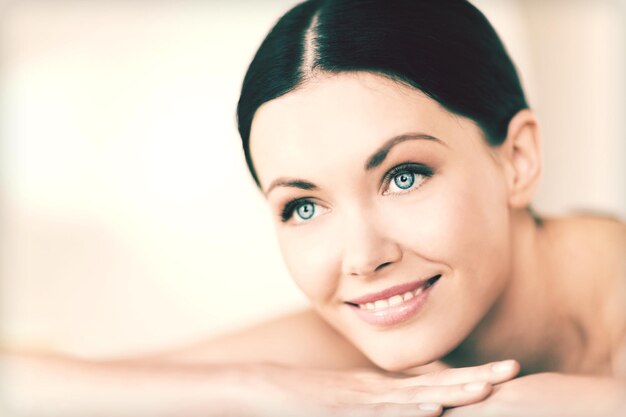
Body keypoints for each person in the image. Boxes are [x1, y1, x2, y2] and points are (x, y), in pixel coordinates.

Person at [2, 0, 624, 416]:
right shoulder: (380, 331)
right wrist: (254, 387)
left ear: (516, 158)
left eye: (403, 176)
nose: (361, 257)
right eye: (303, 207)